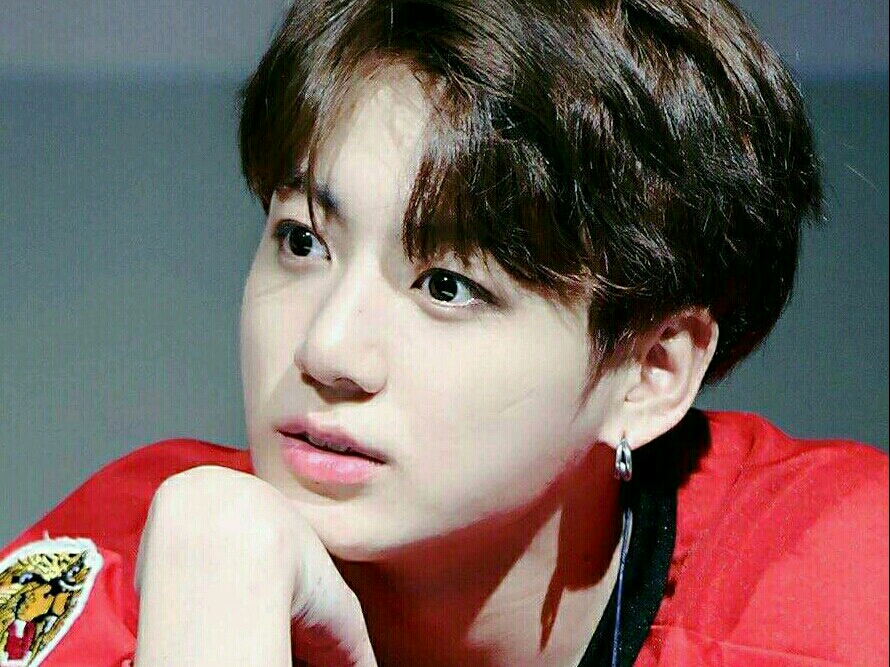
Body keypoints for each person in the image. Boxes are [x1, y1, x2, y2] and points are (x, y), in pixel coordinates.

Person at [1, 0, 887, 665]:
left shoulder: (840, 588)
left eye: (448, 286)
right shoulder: (152, 557)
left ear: (649, 370)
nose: (327, 350)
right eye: (302, 241)